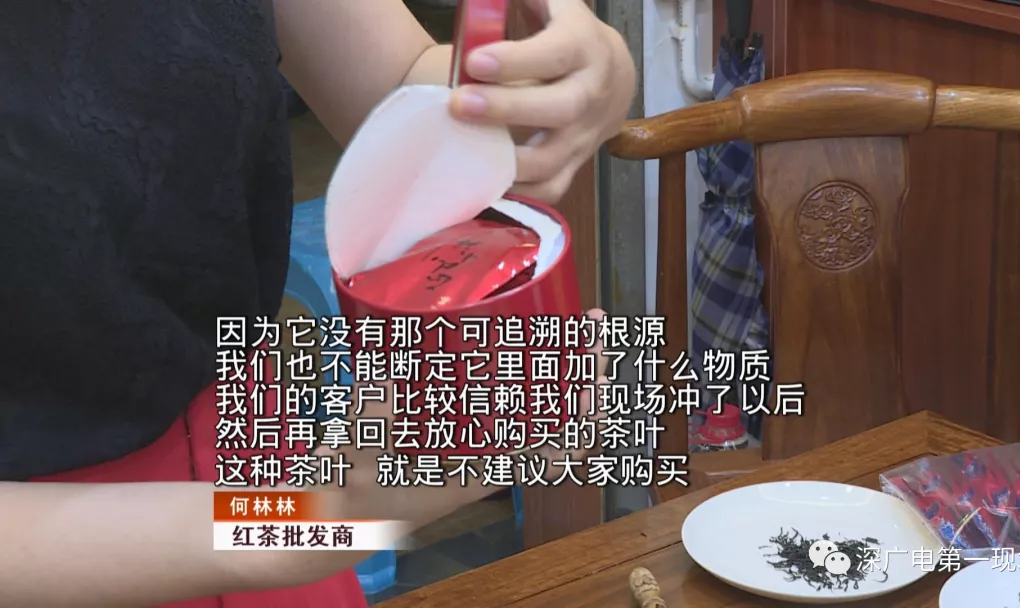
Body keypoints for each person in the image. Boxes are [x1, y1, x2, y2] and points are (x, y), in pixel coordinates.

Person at [0, 1, 635, 606]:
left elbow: (403, 88)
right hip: (102, 550)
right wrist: (308, 520)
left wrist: (565, 84)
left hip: (255, 472)